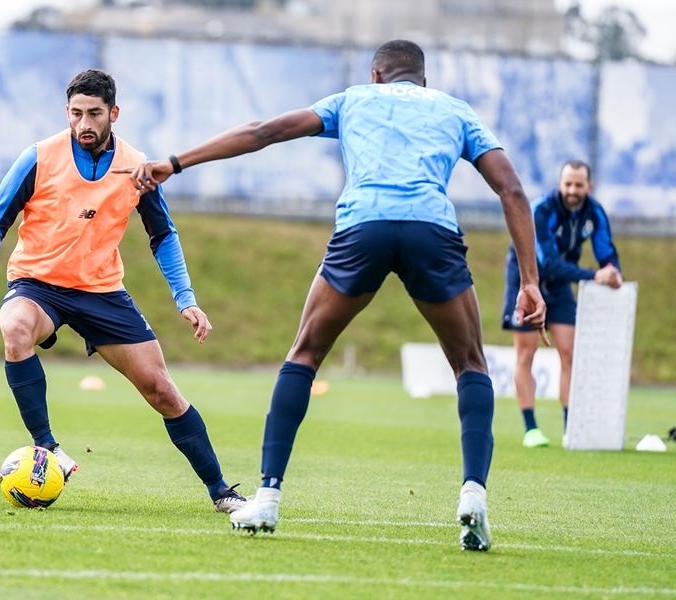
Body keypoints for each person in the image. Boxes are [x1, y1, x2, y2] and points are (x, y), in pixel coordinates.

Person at [122, 40, 546, 551]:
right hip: (431, 232)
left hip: (362, 229)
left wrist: (175, 162)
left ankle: (268, 498)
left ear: (376, 75)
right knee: (470, 364)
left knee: (304, 354)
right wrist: (529, 282)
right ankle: (474, 494)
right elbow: (512, 190)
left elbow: (265, 132)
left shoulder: (354, 100)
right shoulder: (455, 111)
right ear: (424, 81)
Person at [0, 69, 247, 514]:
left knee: (162, 391)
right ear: (66, 112)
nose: (84, 124)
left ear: (114, 113)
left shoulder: (137, 165)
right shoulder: (38, 157)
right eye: (76, 113)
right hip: (38, 285)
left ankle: (221, 491)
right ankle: (47, 448)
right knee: (14, 328)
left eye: (94, 113)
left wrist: (185, 299)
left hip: (101, 292)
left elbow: (163, 235)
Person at [503, 160, 622, 448]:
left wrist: (614, 272)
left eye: (578, 185)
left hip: (558, 287)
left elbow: (606, 251)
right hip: (528, 283)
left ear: (588, 187)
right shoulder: (542, 210)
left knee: (569, 352)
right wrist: (595, 275)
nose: (572, 190)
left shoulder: (594, 212)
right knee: (526, 354)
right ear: (560, 184)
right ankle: (531, 428)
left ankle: (572, 428)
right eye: (567, 183)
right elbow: (549, 264)